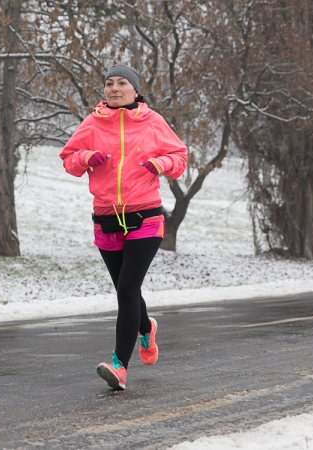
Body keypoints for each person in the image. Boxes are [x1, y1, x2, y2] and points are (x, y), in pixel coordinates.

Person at [59, 63, 187, 390]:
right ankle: (146, 328)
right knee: (125, 289)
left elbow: (180, 159)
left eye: (121, 83)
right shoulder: (92, 123)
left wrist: (160, 162)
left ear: (135, 90)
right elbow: (69, 159)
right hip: (106, 219)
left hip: (145, 217)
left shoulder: (152, 122)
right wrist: (87, 157)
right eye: (109, 83)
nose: (114, 89)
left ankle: (119, 365)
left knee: (128, 290)